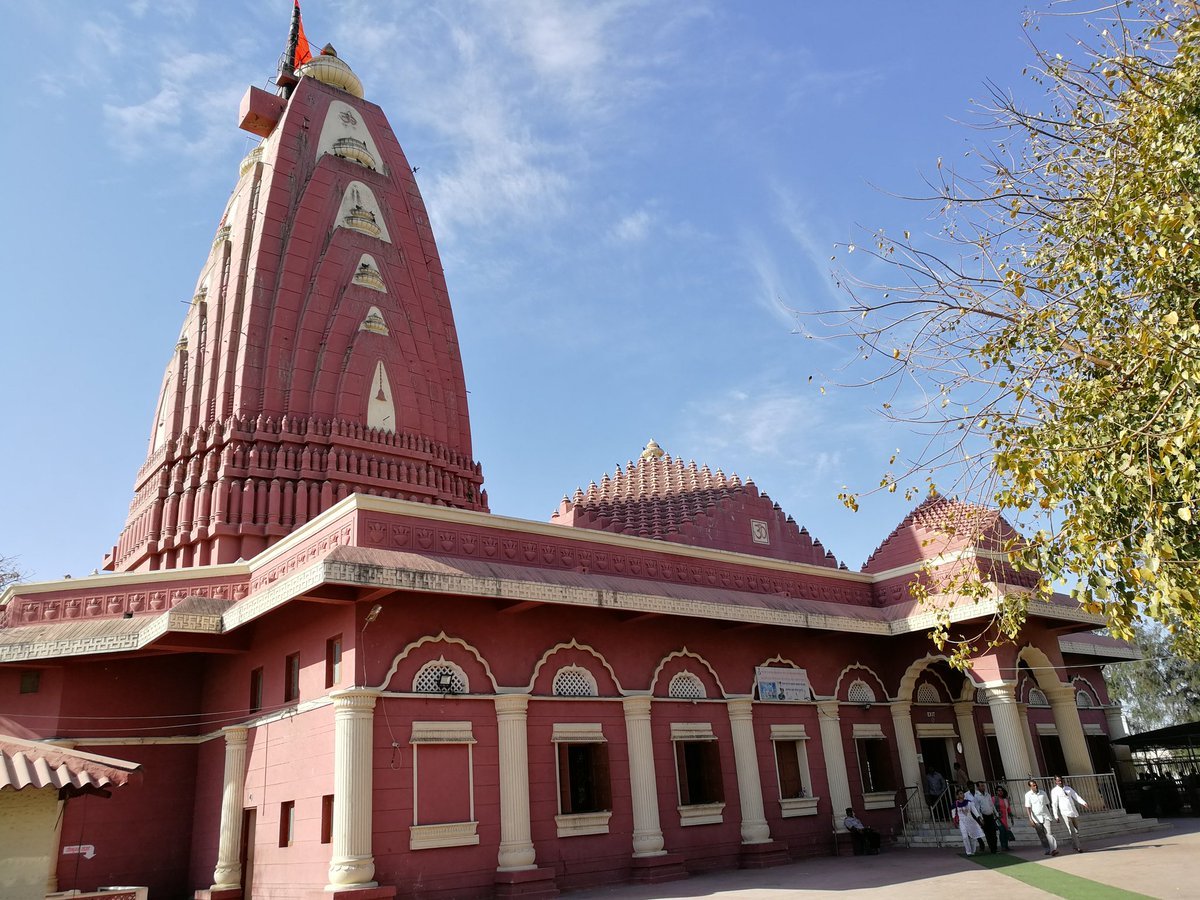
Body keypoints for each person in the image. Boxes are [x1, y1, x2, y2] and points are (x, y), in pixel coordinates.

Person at [1051, 775, 1089, 852]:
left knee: (1076, 829)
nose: (1060, 782)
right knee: (1072, 829)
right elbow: (1054, 803)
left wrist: (1083, 803)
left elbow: (1076, 796)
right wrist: (1056, 815)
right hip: (1065, 812)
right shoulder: (1054, 791)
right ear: (1055, 781)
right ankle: (1078, 847)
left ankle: (1074, 845)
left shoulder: (1068, 788)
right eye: (1058, 780)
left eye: (1061, 780)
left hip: (1072, 810)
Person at [1024, 779, 1059, 856]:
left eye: (1035, 784)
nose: (1035, 786)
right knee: (1041, 834)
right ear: (1030, 787)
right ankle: (1047, 849)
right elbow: (1028, 807)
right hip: (1036, 818)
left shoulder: (1043, 793)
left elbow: (1047, 804)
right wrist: (1030, 819)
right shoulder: (1028, 795)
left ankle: (1053, 849)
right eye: (1033, 785)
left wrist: (1050, 814)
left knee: (1049, 833)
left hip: (1045, 815)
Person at [953, 789, 986, 855]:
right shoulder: (955, 804)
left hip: (970, 820)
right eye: (959, 793)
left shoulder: (969, 802)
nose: (961, 795)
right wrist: (955, 822)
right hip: (962, 821)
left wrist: (979, 818)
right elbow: (953, 813)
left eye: (962, 793)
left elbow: (974, 811)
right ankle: (968, 852)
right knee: (965, 836)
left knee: (973, 836)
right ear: (957, 795)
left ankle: (973, 851)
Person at [973, 781, 999, 853]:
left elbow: (992, 805)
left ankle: (995, 847)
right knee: (988, 833)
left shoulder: (987, 795)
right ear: (978, 787)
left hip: (991, 815)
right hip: (984, 817)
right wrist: (980, 818)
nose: (983, 787)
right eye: (981, 786)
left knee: (993, 832)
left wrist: (996, 813)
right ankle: (992, 848)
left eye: (983, 786)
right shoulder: (977, 796)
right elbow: (977, 808)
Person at [995, 785, 1015, 851]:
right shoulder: (994, 799)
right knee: (1002, 831)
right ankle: (1003, 846)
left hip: (1005, 818)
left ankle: (1006, 846)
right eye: (999, 791)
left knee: (1006, 831)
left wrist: (1011, 817)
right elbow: (992, 808)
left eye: (1001, 790)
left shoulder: (1005, 799)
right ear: (996, 791)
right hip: (998, 818)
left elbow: (1008, 809)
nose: (1000, 792)